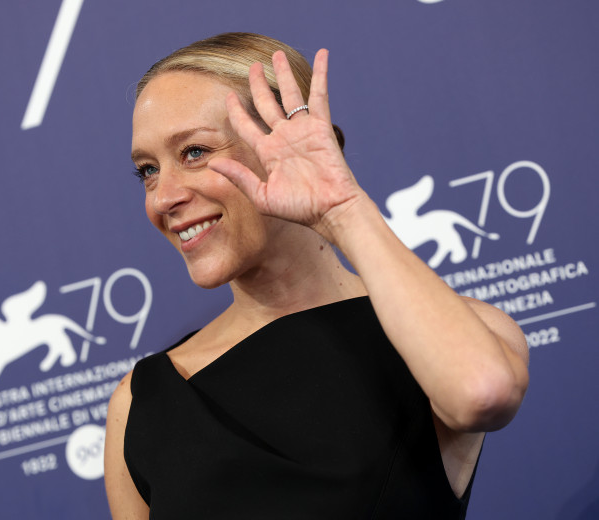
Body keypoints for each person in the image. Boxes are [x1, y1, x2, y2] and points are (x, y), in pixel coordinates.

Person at [104, 32, 529, 519]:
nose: (163, 198)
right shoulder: (142, 402)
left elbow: (484, 393)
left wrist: (342, 207)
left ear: (289, 146)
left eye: (195, 152)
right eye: (147, 170)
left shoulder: (449, 337)